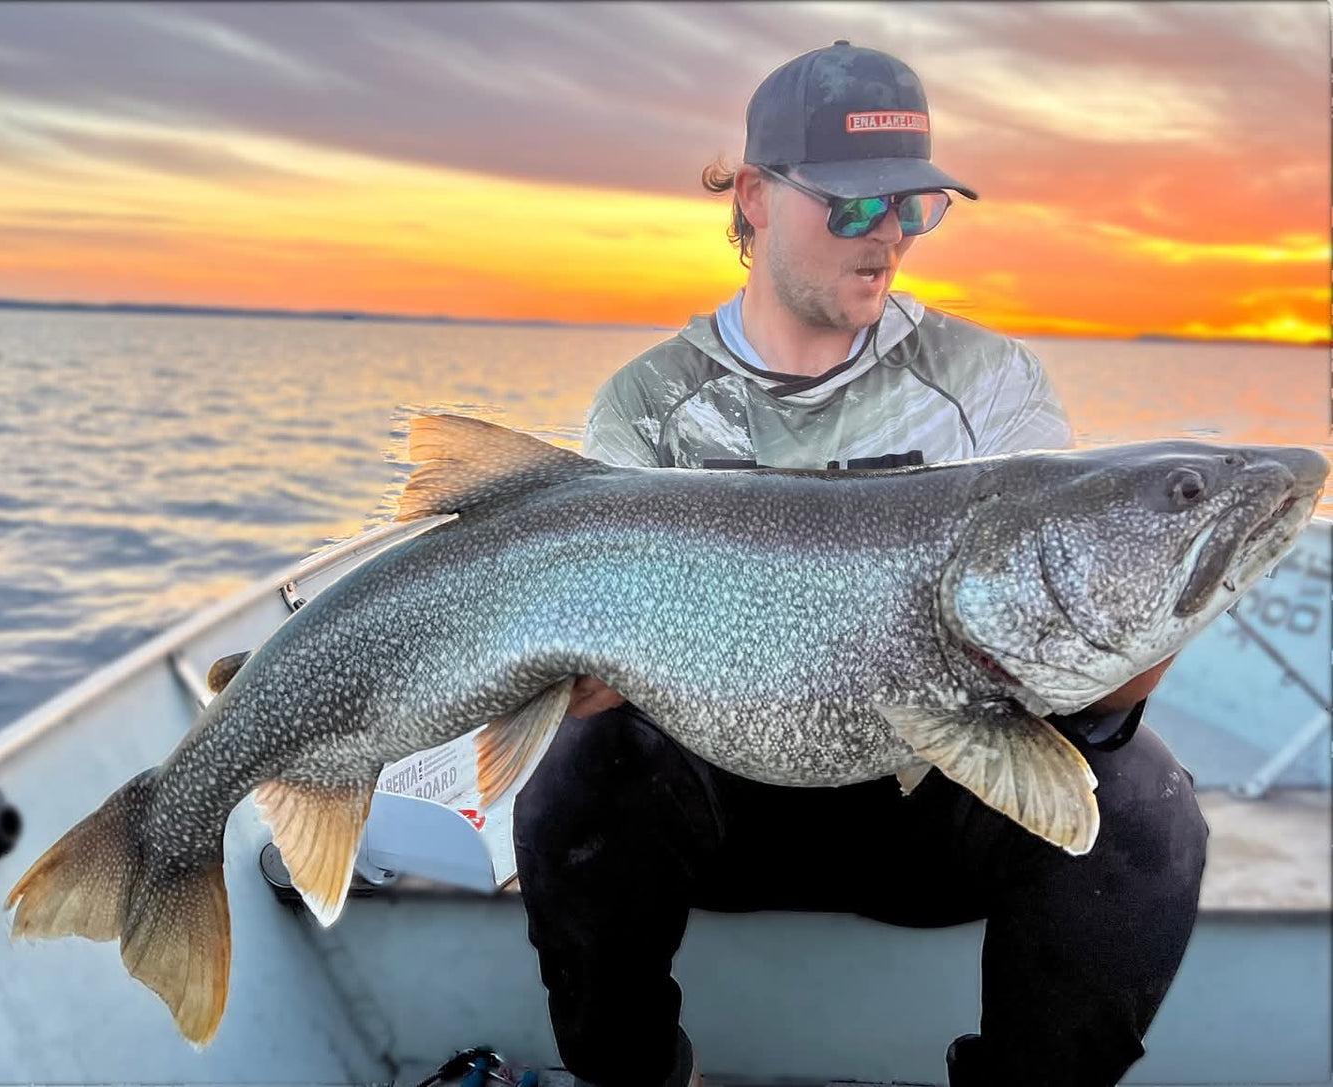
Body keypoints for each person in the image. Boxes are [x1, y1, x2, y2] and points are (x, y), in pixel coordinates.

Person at [513, 41, 1207, 1087]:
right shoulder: (648, 408)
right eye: (851, 206)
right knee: (574, 781)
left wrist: (1119, 673)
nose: (887, 235)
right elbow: (594, 669)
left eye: (913, 207)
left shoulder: (991, 385)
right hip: (722, 806)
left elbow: (1060, 685)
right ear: (752, 197)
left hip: (923, 815)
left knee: (1145, 806)